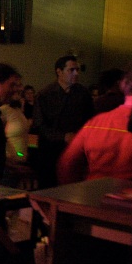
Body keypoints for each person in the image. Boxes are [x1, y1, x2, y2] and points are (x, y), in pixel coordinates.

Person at [57, 57, 132, 185]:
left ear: (123, 84)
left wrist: (81, 191)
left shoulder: (95, 124)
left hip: (95, 195)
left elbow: (67, 166)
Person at [32, 55, 94, 188]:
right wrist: (63, 136)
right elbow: (39, 125)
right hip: (50, 151)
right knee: (49, 187)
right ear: (59, 72)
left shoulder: (83, 94)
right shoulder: (45, 94)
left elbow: (90, 120)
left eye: (77, 70)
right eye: (71, 70)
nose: (76, 73)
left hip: (75, 149)